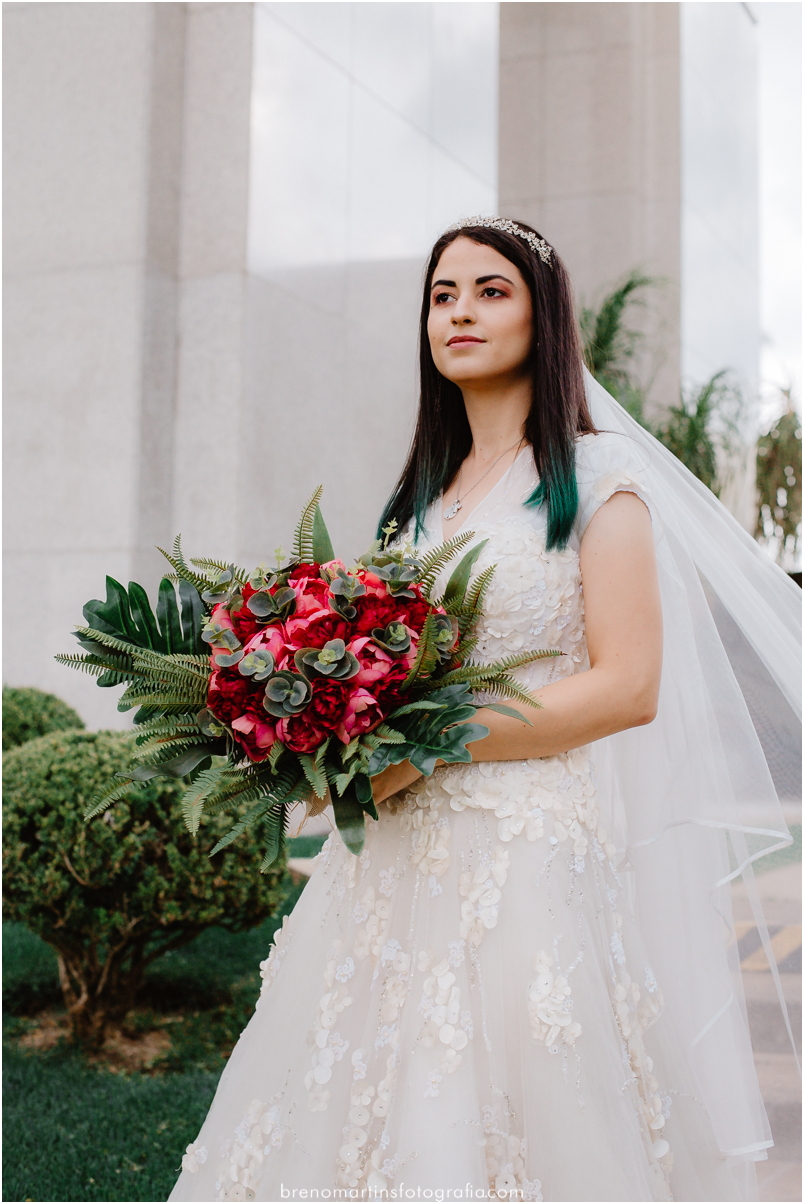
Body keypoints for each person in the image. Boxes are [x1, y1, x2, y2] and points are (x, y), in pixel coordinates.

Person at [169, 218, 797, 1203]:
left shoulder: (598, 481)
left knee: (513, 1106)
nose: (460, 311)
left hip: (524, 856)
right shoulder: (419, 503)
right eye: (442, 294)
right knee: (354, 1099)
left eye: (491, 290)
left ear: (543, 318)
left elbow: (629, 685)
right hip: (387, 857)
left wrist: (434, 742)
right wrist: (321, 738)